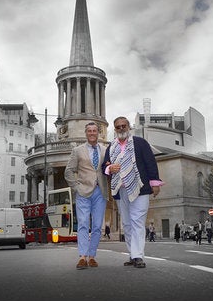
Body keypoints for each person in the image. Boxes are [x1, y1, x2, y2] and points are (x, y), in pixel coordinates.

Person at [103, 116, 163, 269]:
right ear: (115, 130)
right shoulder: (111, 147)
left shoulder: (140, 143)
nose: (121, 128)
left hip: (139, 188)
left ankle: (138, 255)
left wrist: (154, 183)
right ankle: (132, 254)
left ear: (129, 127)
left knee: (137, 221)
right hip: (120, 190)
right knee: (127, 224)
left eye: (124, 125)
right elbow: (105, 165)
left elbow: (150, 162)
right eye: (118, 127)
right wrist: (110, 168)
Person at [64, 122, 108, 270]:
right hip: (83, 192)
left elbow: (108, 169)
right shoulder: (77, 150)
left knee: (96, 226)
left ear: (98, 133)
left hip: (100, 192)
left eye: (94, 131)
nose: (92, 133)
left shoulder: (105, 150)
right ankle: (82, 257)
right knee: (83, 224)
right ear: (86, 133)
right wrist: (76, 187)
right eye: (89, 131)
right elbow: (68, 171)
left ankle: (92, 256)